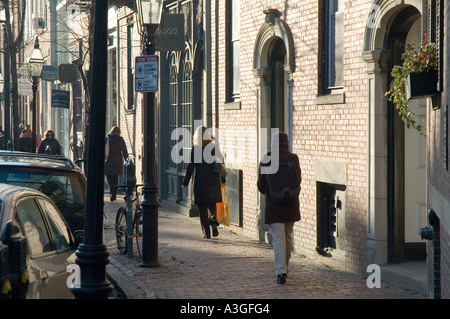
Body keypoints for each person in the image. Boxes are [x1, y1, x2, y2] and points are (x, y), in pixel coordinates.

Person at [257, 131, 301, 284]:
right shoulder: (293, 158)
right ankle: (285, 267)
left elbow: (260, 185)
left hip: (274, 206)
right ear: (286, 143)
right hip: (291, 204)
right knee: (288, 237)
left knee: (278, 239)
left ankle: (280, 272)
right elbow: (298, 180)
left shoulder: (265, 159)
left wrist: (272, 194)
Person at [182, 126, 226, 239]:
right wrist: (223, 180)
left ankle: (207, 233)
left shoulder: (196, 149)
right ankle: (214, 221)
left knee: (202, 208)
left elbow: (190, 167)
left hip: (200, 182)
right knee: (212, 204)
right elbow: (221, 164)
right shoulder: (213, 147)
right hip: (213, 180)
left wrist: (185, 182)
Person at [105, 126, 129, 201]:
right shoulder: (121, 140)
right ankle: (114, 192)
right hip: (118, 162)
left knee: (109, 178)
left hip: (108, 161)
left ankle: (112, 191)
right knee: (115, 179)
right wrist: (127, 160)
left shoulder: (107, 139)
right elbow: (124, 151)